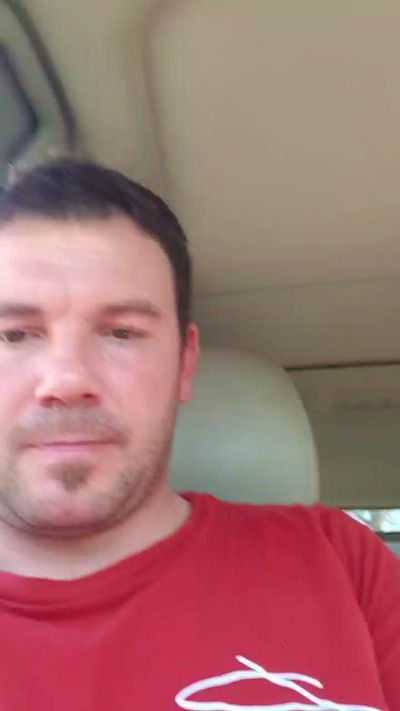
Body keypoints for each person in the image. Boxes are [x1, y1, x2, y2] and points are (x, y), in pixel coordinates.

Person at [0, 159, 398, 711]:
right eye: (14, 335)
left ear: (185, 363)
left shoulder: (341, 562)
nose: (66, 381)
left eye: (122, 333)